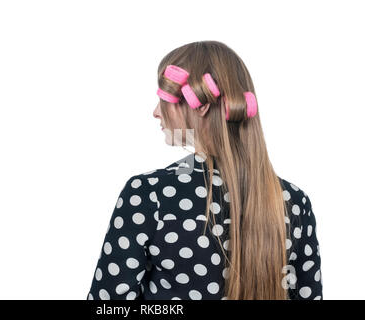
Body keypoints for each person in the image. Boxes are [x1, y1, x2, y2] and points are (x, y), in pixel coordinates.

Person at [86, 40, 322, 300]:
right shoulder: (293, 201)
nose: (156, 112)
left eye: (164, 100)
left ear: (202, 106)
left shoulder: (150, 195)